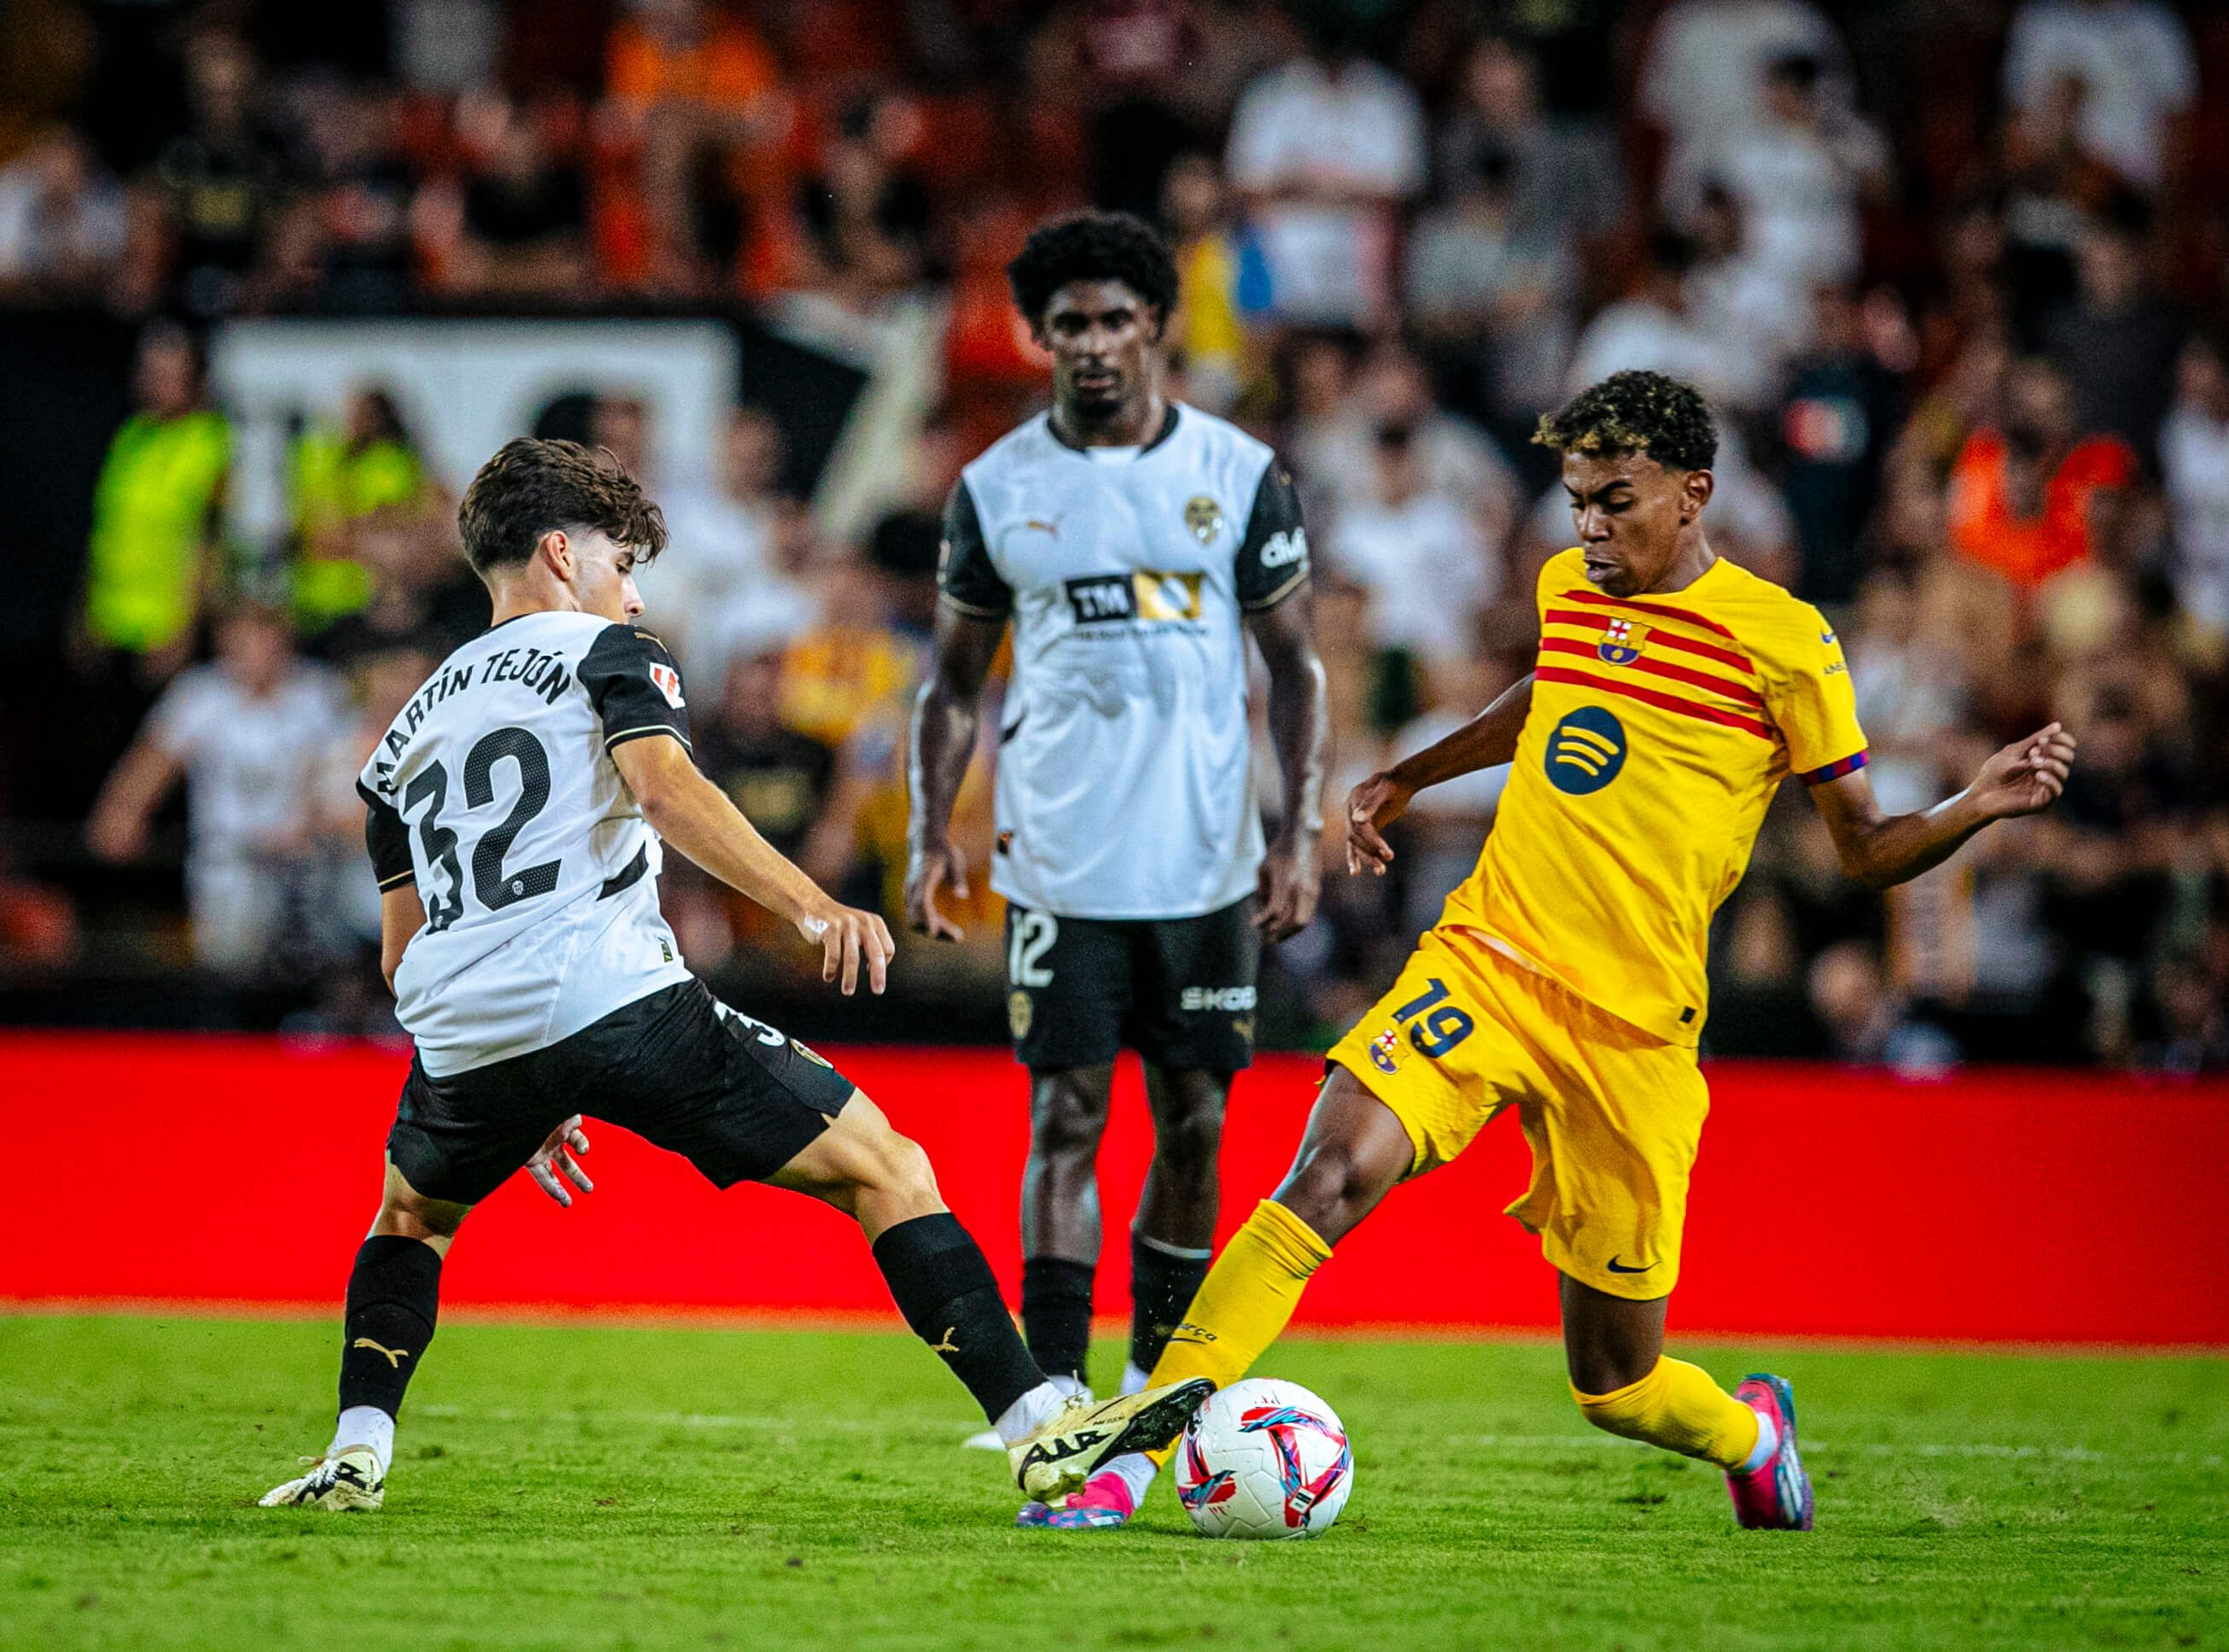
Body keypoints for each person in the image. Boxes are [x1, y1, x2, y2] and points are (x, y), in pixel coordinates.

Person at [1036, 371, 2077, 1531]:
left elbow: (1865, 848)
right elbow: (1549, 692)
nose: (1586, 525)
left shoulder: (1783, 643)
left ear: (1694, 494)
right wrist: (1409, 771)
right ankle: (1132, 1458)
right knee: (1322, 1175)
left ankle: (1750, 1429)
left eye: (1613, 499)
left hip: (1631, 1030)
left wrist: (1973, 803)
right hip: (1485, 960)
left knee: (1617, 1386)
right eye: (1576, 498)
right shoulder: (1570, 589)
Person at [257, 437, 1205, 1515]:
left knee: (411, 1220)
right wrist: (813, 900)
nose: (634, 587)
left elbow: (398, 952)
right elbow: (662, 791)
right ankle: (1042, 1430)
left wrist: (532, 1072)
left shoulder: (401, 736)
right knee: (886, 1169)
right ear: (562, 555)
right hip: (609, 992)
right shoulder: (611, 653)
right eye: (622, 561)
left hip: (465, 1029)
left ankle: (356, 1450)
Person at [905, 213, 1327, 1472]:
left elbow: (1294, 665)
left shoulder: (1239, 471)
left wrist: (1295, 829)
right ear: (1040, 338)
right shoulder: (994, 489)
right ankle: (1049, 1392)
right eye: (1067, 324)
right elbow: (948, 684)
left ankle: (1155, 1379)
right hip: (1058, 858)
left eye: (1113, 319)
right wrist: (933, 831)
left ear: (1156, 325)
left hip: (1205, 859)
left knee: (1195, 1113)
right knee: (1065, 1115)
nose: (1090, 344)